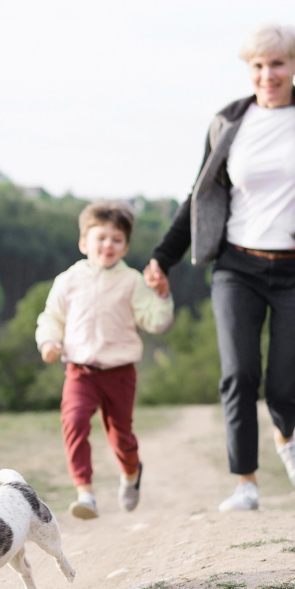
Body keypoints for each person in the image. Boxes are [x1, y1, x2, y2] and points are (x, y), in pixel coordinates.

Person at [144, 24, 295, 512]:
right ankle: (245, 483)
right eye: (258, 66)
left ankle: (285, 436)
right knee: (239, 373)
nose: (268, 74)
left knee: (286, 381)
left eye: (278, 64)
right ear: (249, 69)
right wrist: (163, 257)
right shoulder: (227, 123)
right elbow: (200, 196)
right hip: (237, 267)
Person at [37, 201, 174, 519]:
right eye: (101, 238)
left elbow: (155, 321)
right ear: (84, 243)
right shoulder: (68, 280)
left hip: (119, 373)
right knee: (74, 423)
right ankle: (85, 493)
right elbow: (52, 317)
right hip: (80, 371)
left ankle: (131, 473)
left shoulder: (131, 281)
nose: (108, 245)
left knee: (121, 436)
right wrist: (49, 341)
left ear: (125, 247)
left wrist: (162, 296)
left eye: (117, 239)